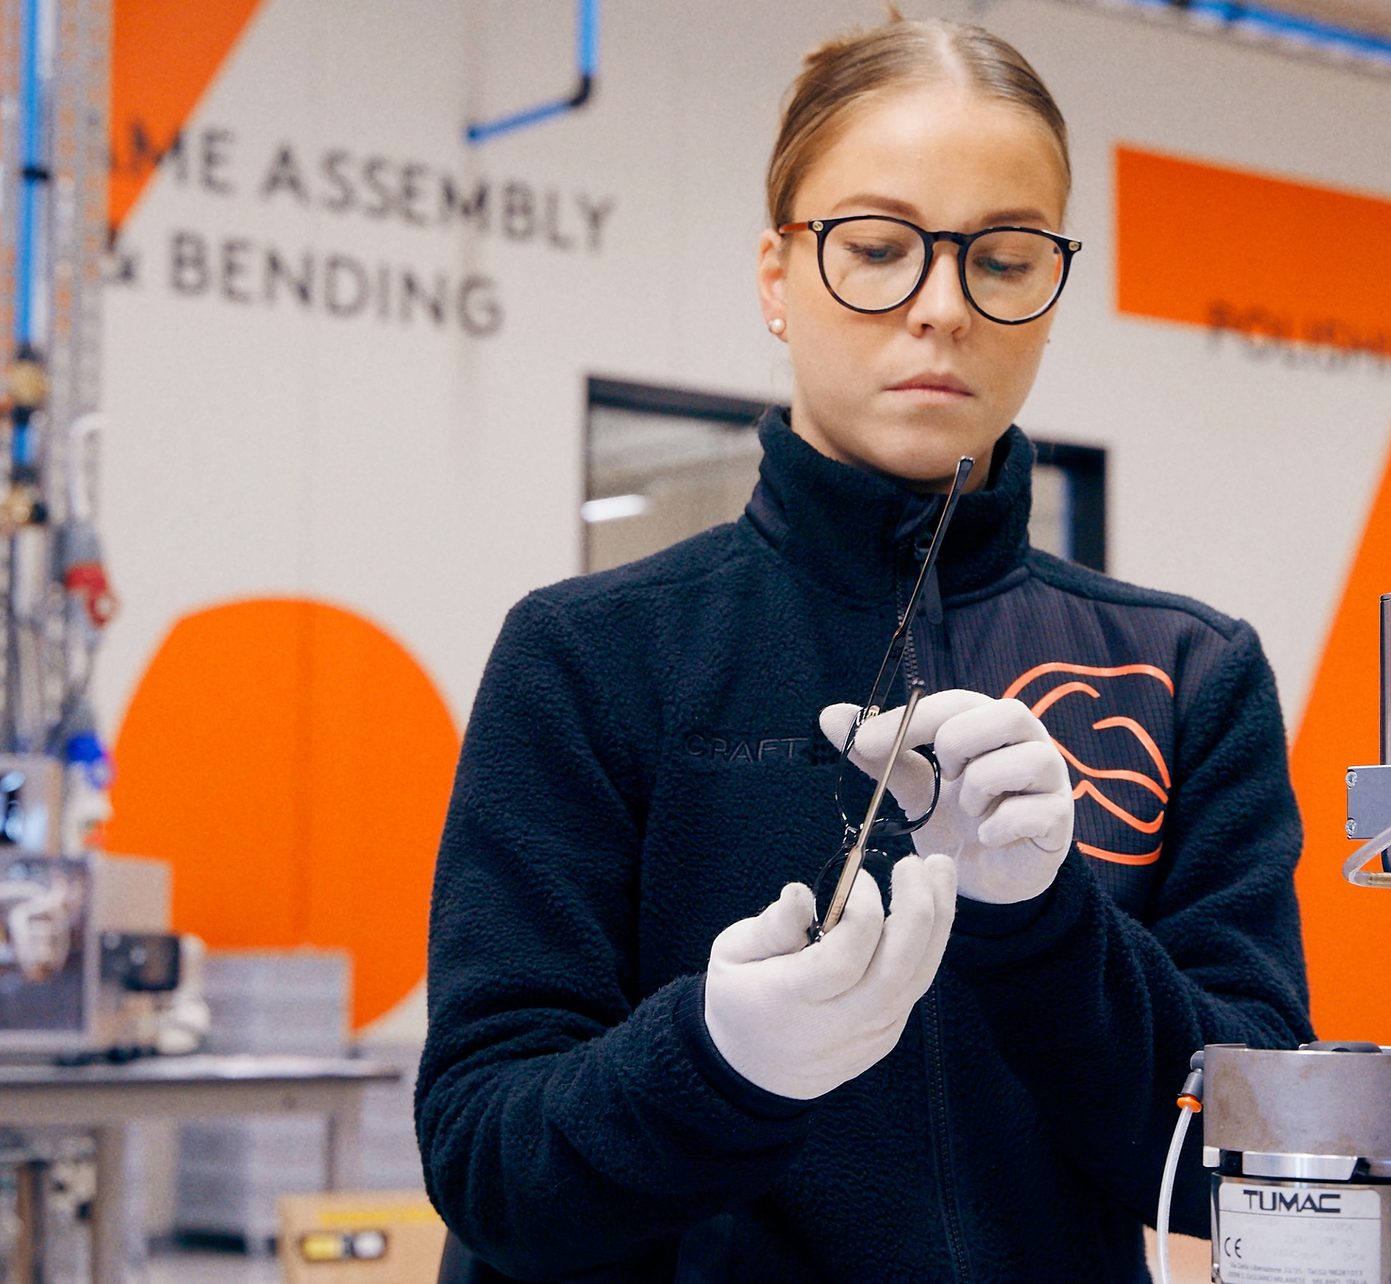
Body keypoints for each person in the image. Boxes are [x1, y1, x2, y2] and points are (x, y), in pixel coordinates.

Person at [416, 13, 1312, 1282]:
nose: (941, 309)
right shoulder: (590, 659)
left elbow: (1242, 1173)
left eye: (1002, 259)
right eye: (878, 248)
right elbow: (484, 1157)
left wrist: (1050, 931)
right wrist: (716, 1065)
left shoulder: (1186, 675)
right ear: (777, 275)